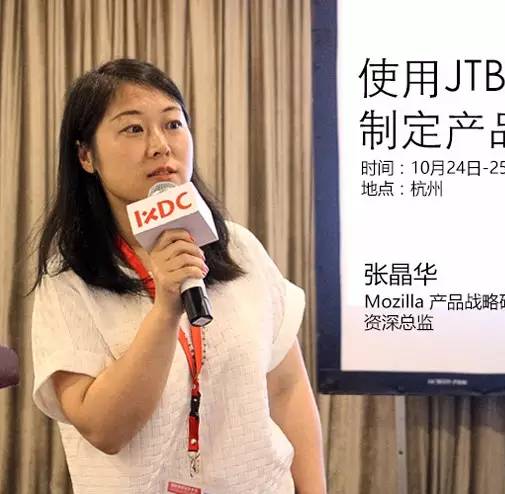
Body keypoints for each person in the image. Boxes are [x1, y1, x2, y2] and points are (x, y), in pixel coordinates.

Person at [29, 58, 326, 493]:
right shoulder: (68, 280)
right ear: (86, 155)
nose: (160, 146)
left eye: (172, 124)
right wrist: (166, 308)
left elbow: (286, 388)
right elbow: (104, 430)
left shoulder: (239, 248)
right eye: (133, 129)